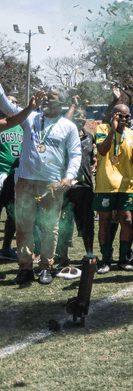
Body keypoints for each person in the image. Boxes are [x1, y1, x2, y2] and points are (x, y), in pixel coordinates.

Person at [0, 85, 79, 285]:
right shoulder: (31, 116)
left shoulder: (68, 126)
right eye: (45, 96)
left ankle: (46, 267)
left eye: (51, 98)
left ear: (61, 103)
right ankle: (25, 268)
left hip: (52, 184)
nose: (45, 100)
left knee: (49, 227)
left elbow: (75, 154)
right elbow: (7, 107)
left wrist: (69, 176)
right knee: (23, 226)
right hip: (25, 181)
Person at [94, 104, 133, 272]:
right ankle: (105, 259)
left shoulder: (132, 134)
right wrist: (112, 131)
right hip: (105, 184)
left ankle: (123, 258)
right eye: (120, 116)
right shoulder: (102, 128)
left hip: (126, 184)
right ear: (113, 115)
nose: (124, 119)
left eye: (127, 116)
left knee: (127, 221)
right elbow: (102, 150)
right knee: (104, 222)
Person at [57, 98, 96, 265]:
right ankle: (63, 257)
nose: (81, 119)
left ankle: (88, 254)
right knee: (64, 224)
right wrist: (72, 105)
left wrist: (95, 163)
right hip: (67, 187)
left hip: (86, 187)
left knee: (87, 224)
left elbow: (92, 156)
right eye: (77, 116)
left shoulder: (90, 137)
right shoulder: (65, 135)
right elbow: (65, 121)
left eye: (83, 116)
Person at [0, 95, 24, 260]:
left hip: (16, 175)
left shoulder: (22, 126)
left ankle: (6, 247)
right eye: (9, 102)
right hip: (1, 173)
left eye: (15, 102)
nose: (12, 105)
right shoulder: (2, 124)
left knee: (13, 214)